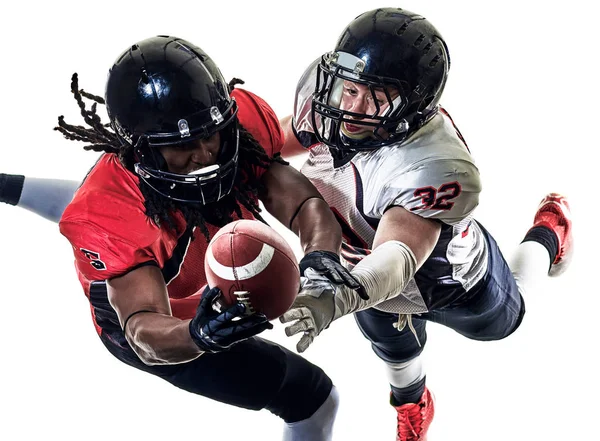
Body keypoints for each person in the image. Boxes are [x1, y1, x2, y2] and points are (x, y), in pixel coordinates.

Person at [0, 35, 366, 441]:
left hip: (143, 223)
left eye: (211, 134)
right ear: (140, 152)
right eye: (183, 145)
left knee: (132, 212)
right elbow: (143, 329)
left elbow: (303, 205)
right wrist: (199, 334)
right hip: (155, 313)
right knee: (312, 396)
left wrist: (320, 256)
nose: (206, 153)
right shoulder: (110, 218)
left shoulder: (239, 122)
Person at [277, 7, 573, 441]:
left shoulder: (430, 161)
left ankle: (549, 231)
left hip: (450, 281)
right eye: (350, 87)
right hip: (361, 265)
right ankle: (414, 405)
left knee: (512, 317)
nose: (353, 106)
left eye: (376, 97)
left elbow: (397, 257)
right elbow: (269, 145)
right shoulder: (330, 103)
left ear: (411, 107)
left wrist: (339, 298)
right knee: (394, 349)